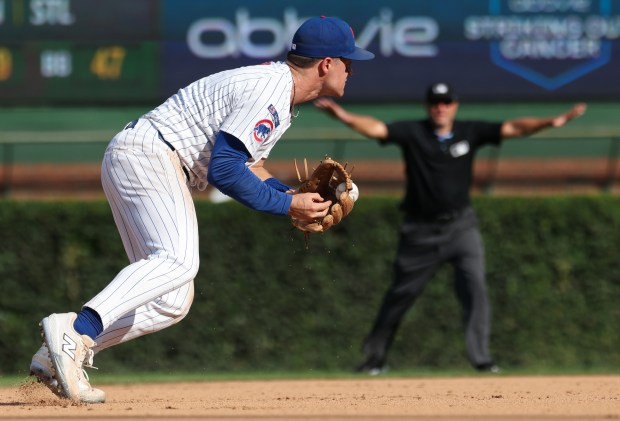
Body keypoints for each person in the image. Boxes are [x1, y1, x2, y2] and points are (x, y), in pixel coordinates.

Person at [29, 16, 374, 403]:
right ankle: (75, 332)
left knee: (172, 300)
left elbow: (249, 167)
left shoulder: (279, 92)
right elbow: (224, 171)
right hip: (151, 153)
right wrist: (286, 204)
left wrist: (290, 196)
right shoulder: (272, 90)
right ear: (326, 64)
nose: (352, 69)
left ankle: (59, 353)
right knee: (178, 261)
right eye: (349, 61)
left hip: (146, 155)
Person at [315, 83, 586, 374]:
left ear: (455, 105)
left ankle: (482, 359)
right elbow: (377, 128)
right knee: (399, 295)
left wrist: (551, 121)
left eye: (446, 102)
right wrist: (345, 117)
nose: (440, 107)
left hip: (461, 227)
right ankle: (374, 359)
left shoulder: (470, 131)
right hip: (419, 231)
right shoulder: (414, 133)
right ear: (428, 106)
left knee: (475, 289)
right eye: (435, 102)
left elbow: (514, 127)